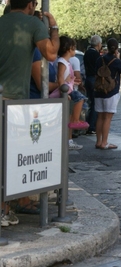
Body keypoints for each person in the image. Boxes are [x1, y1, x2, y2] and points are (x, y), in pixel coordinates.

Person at [0, 0, 60, 227]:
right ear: (31, 4)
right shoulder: (32, 24)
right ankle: (3, 211)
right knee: (9, 158)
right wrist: (52, 26)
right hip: (13, 101)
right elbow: (51, 53)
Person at [54, 36, 89, 150]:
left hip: (68, 89)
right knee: (80, 99)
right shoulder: (62, 62)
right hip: (66, 91)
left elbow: (65, 77)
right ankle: (75, 120)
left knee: (82, 100)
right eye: (74, 48)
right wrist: (64, 90)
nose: (75, 50)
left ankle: (75, 121)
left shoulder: (66, 62)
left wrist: (72, 81)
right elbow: (60, 78)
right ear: (69, 49)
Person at [94, 38, 121, 149]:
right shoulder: (116, 61)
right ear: (116, 49)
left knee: (100, 117)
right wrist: (117, 58)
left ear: (106, 47)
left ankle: (98, 141)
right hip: (111, 92)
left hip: (99, 91)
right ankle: (104, 143)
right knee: (107, 118)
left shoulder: (99, 59)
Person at [84, 35, 102, 135]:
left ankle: (88, 124)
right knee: (95, 104)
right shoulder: (95, 54)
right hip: (93, 78)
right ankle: (92, 126)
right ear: (98, 44)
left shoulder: (87, 52)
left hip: (88, 78)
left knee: (91, 103)